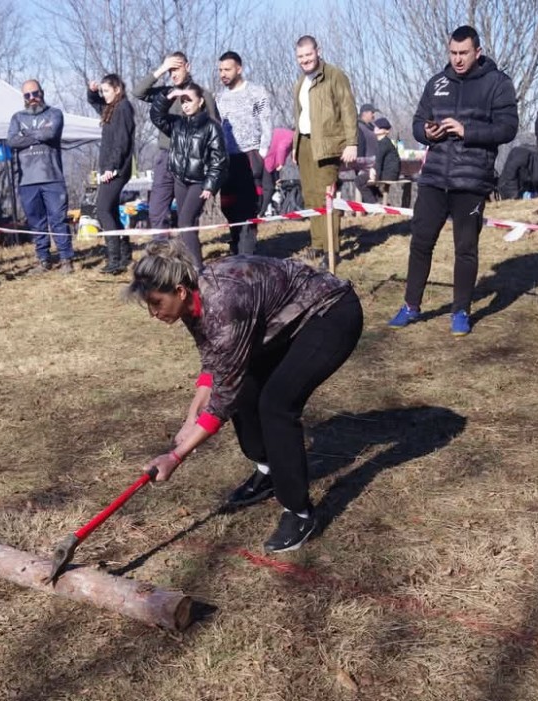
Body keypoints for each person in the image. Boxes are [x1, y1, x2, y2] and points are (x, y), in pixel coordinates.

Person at [129, 239, 363, 553]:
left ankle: (299, 512)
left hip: (330, 312)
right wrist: (191, 416)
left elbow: (223, 399)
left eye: (156, 303)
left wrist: (176, 456)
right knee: (248, 387)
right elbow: (213, 361)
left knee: (277, 404)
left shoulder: (224, 303)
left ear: (180, 291)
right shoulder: (192, 302)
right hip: (286, 321)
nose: (153, 313)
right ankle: (268, 470)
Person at [387, 25, 518, 336]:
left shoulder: (498, 84)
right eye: (453, 53)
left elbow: (508, 128)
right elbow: (418, 122)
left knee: (465, 248)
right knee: (420, 242)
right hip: (434, 178)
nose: (457, 59)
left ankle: (461, 311)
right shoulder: (437, 83)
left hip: (472, 181)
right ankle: (411, 306)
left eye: (463, 53)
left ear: (477, 52)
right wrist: (425, 132)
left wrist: (466, 131)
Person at [292, 35, 358, 270]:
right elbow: (299, 116)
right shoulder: (301, 81)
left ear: (318, 51)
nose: (305, 60)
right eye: (300, 56)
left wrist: (352, 143)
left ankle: (332, 250)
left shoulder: (334, 75)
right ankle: (318, 244)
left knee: (326, 196)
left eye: (308, 54)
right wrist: (295, 145)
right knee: (310, 196)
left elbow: (348, 109)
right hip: (305, 143)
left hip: (327, 144)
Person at [132, 52, 219, 232]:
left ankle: (187, 246)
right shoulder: (166, 93)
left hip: (191, 159)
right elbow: (138, 92)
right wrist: (161, 69)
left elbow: (215, 129)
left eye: (176, 69)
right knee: (156, 209)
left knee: (186, 213)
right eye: (170, 71)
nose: (173, 74)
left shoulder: (202, 95)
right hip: (166, 156)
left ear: (188, 67)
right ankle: (161, 246)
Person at [150, 83, 228, 270]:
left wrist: (210, 185)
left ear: (200, 102)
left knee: (185, 222)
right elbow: (156, 116)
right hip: (180, 180)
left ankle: (197, 267)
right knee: (187, 223)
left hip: (199, 183)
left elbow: (219, 159)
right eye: (182, 101)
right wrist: (168, 96)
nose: (185, 105)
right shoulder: (177, 123)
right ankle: (188, 263)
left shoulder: (211, 127)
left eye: (189, 101)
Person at [8, 79, 74, 274]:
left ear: (42, 93)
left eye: (35, 93)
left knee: (58, 219)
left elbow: (51, 134)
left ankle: (66, 259)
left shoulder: (54, 113)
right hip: (27, 180)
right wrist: (38, 134)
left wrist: (26, 135)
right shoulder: (17, 117)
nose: (32, 98)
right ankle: (43, 259)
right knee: (36, 222)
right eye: (27, 95)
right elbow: (12, 140)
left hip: (52, 177)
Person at [215, 51, 271, 256]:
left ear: (239, 69)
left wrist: (262, 153)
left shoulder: (256, 92)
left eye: (227, 69)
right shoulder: (219, 98)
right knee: (229, 206)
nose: (223, 74)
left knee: (248, 209)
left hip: (250, 155)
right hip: (228, 159)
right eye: (220, 70)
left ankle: (247, 255)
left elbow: (266, 122)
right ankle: (235, 247)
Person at [87, 74, 136, 274]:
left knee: (103, 210)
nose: (104, 94)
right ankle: (124, 254)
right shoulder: (110, 108)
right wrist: (92, 92)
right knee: (112, 211)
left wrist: (111, 168)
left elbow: (122, 141)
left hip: (116, 170)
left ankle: (114, 259)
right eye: (102, 91)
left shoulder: (123, 108)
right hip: (109, 168)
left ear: (117, 90)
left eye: (106, 91)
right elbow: (95, 103)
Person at [261, 126, 294, 216]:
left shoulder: (285, 133)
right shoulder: (291, 137)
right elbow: (282, 148)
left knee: (272, 186)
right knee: (269, 188)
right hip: (270, 161)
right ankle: (262, 212)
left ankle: (269, 209)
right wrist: (281, 163)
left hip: (270, 159)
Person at [355, 103, 380, 203]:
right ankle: (372, 206)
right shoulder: (358, 128)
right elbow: (360, 149)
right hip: (364, 166)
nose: (373, 115)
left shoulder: (372, 127)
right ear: (364, 113)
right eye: (372, 112)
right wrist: (359, 168)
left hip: (375, 165)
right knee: (362, 183)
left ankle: (376, 204)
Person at [369, 117, 401, 184]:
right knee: (363, 179)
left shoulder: (384, 143)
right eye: (376, 126)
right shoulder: (382, 142)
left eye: (380, 127)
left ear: (386, 131)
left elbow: (378, 161)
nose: (376, 128)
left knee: (359, 180)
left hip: (388, 174)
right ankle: (375, 190)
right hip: (388, 173)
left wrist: (375, 178)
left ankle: (375, 190)